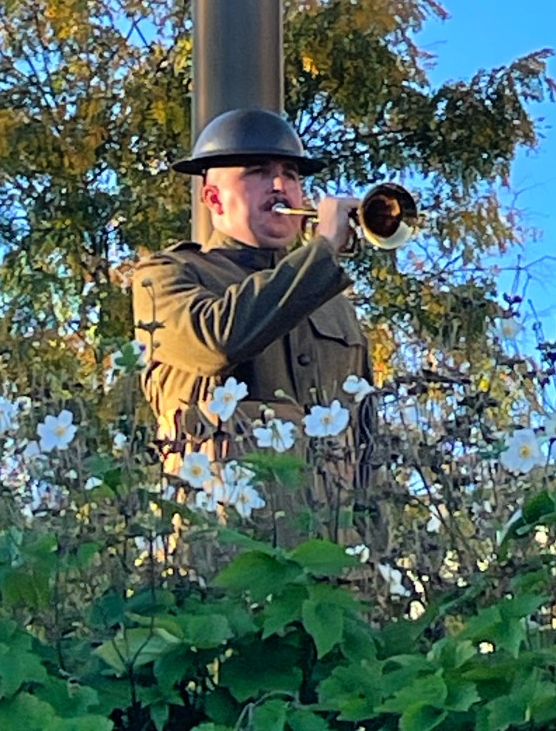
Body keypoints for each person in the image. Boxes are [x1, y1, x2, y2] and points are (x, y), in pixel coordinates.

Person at [132, 108, 375, 487]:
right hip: (223, 533)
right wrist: (322, 251)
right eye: (258, 173)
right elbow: (218, 342)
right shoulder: (166, 276)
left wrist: (374, 538)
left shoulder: (333, 302)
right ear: (213, 198)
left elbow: (366, 439)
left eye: (291, 175)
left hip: (329, 536)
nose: (280, 185)